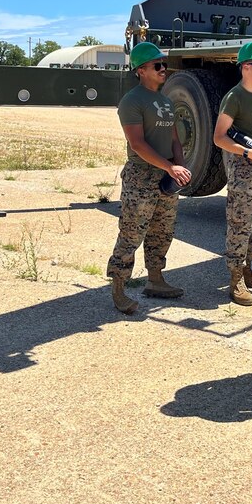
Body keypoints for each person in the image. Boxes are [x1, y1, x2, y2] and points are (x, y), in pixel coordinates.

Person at [105, 42, 191, 314]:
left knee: (162, 230)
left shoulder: (165, 101)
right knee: (132, 232)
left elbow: (175, 138)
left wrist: (181, 165)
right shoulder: (132, 101)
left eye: (164, 64)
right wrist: (169, 167)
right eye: (157, 65)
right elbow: (138, 144)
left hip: (166, 174)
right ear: (141, 70)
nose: (163, 69)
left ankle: (155, 280)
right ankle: (119, 288)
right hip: (142, 176)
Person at [212, 41, 252, 307]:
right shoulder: (234, 97)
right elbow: (219, 137)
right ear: (246, 67)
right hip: (244, 168)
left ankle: (248, 268)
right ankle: (235, 277)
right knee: (240, 223)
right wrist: (248, 153)